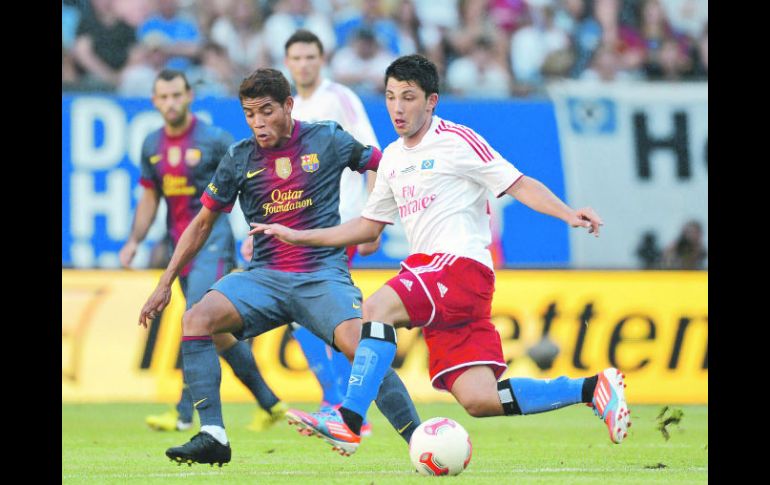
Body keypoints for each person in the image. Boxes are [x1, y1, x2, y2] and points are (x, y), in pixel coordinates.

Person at [251, 54, 632, 457]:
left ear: (431, 101)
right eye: (391, 96)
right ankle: (593, 388)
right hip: (441, 285)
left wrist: (568, 213)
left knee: (376, 307)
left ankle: (348, 420)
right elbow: (368, 227)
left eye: (409, 97)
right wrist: (300, 236)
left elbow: (518, 183)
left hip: (459, 268)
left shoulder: (456, 140)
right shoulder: (393, 158)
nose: (398, 107)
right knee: (480, 399)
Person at [137, 68, 421, 466]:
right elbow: (201, 223)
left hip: (321, 276)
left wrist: (374, 217)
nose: (258, 123)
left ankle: (419, 439)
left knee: (364, 348)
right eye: (250, 114)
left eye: (266, 111)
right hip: (264, 279)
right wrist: (164, 283)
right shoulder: (238, 157)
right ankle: (213, 434)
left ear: (288, 106)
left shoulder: (327, 138)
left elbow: (382, 164)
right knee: (196, 317)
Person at [121, 69, 287, 435]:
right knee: (217, 334)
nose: (170, 103)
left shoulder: (214, 140)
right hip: (180, 247)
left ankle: (184, 414)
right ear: (154, 101)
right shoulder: (151, 145)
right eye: (163, 97)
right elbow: (150, 197)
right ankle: (270, 403)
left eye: (176, 95)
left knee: (196, 319)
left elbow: (251, 184)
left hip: (213, 244)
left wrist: (255, 232)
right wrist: (135, 240)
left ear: (189, 95)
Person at [249, 28, 384, 436]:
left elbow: (376, 159)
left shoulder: (339, 100)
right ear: (287, 63)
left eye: (311, 57)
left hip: (338, 223)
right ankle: (344, 407)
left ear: (321, 60)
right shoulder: (281, 110)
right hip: (294, 228)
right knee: (311, 314)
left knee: (313, 311)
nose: (304, 64)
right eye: (297, 58)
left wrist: (373, 220)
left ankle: (341, 405)